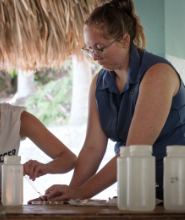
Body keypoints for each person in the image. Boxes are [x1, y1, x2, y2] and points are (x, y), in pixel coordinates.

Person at [45, 0, 185, 202]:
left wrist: (83, 193)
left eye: (100, 48)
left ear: (125, 40)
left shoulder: (157, 74)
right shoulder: (99, 82)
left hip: (177, 188)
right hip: (136, 188)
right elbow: (93, 148)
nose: (94, 57)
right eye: (90, 48)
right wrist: (70, 195)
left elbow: (134, 151)